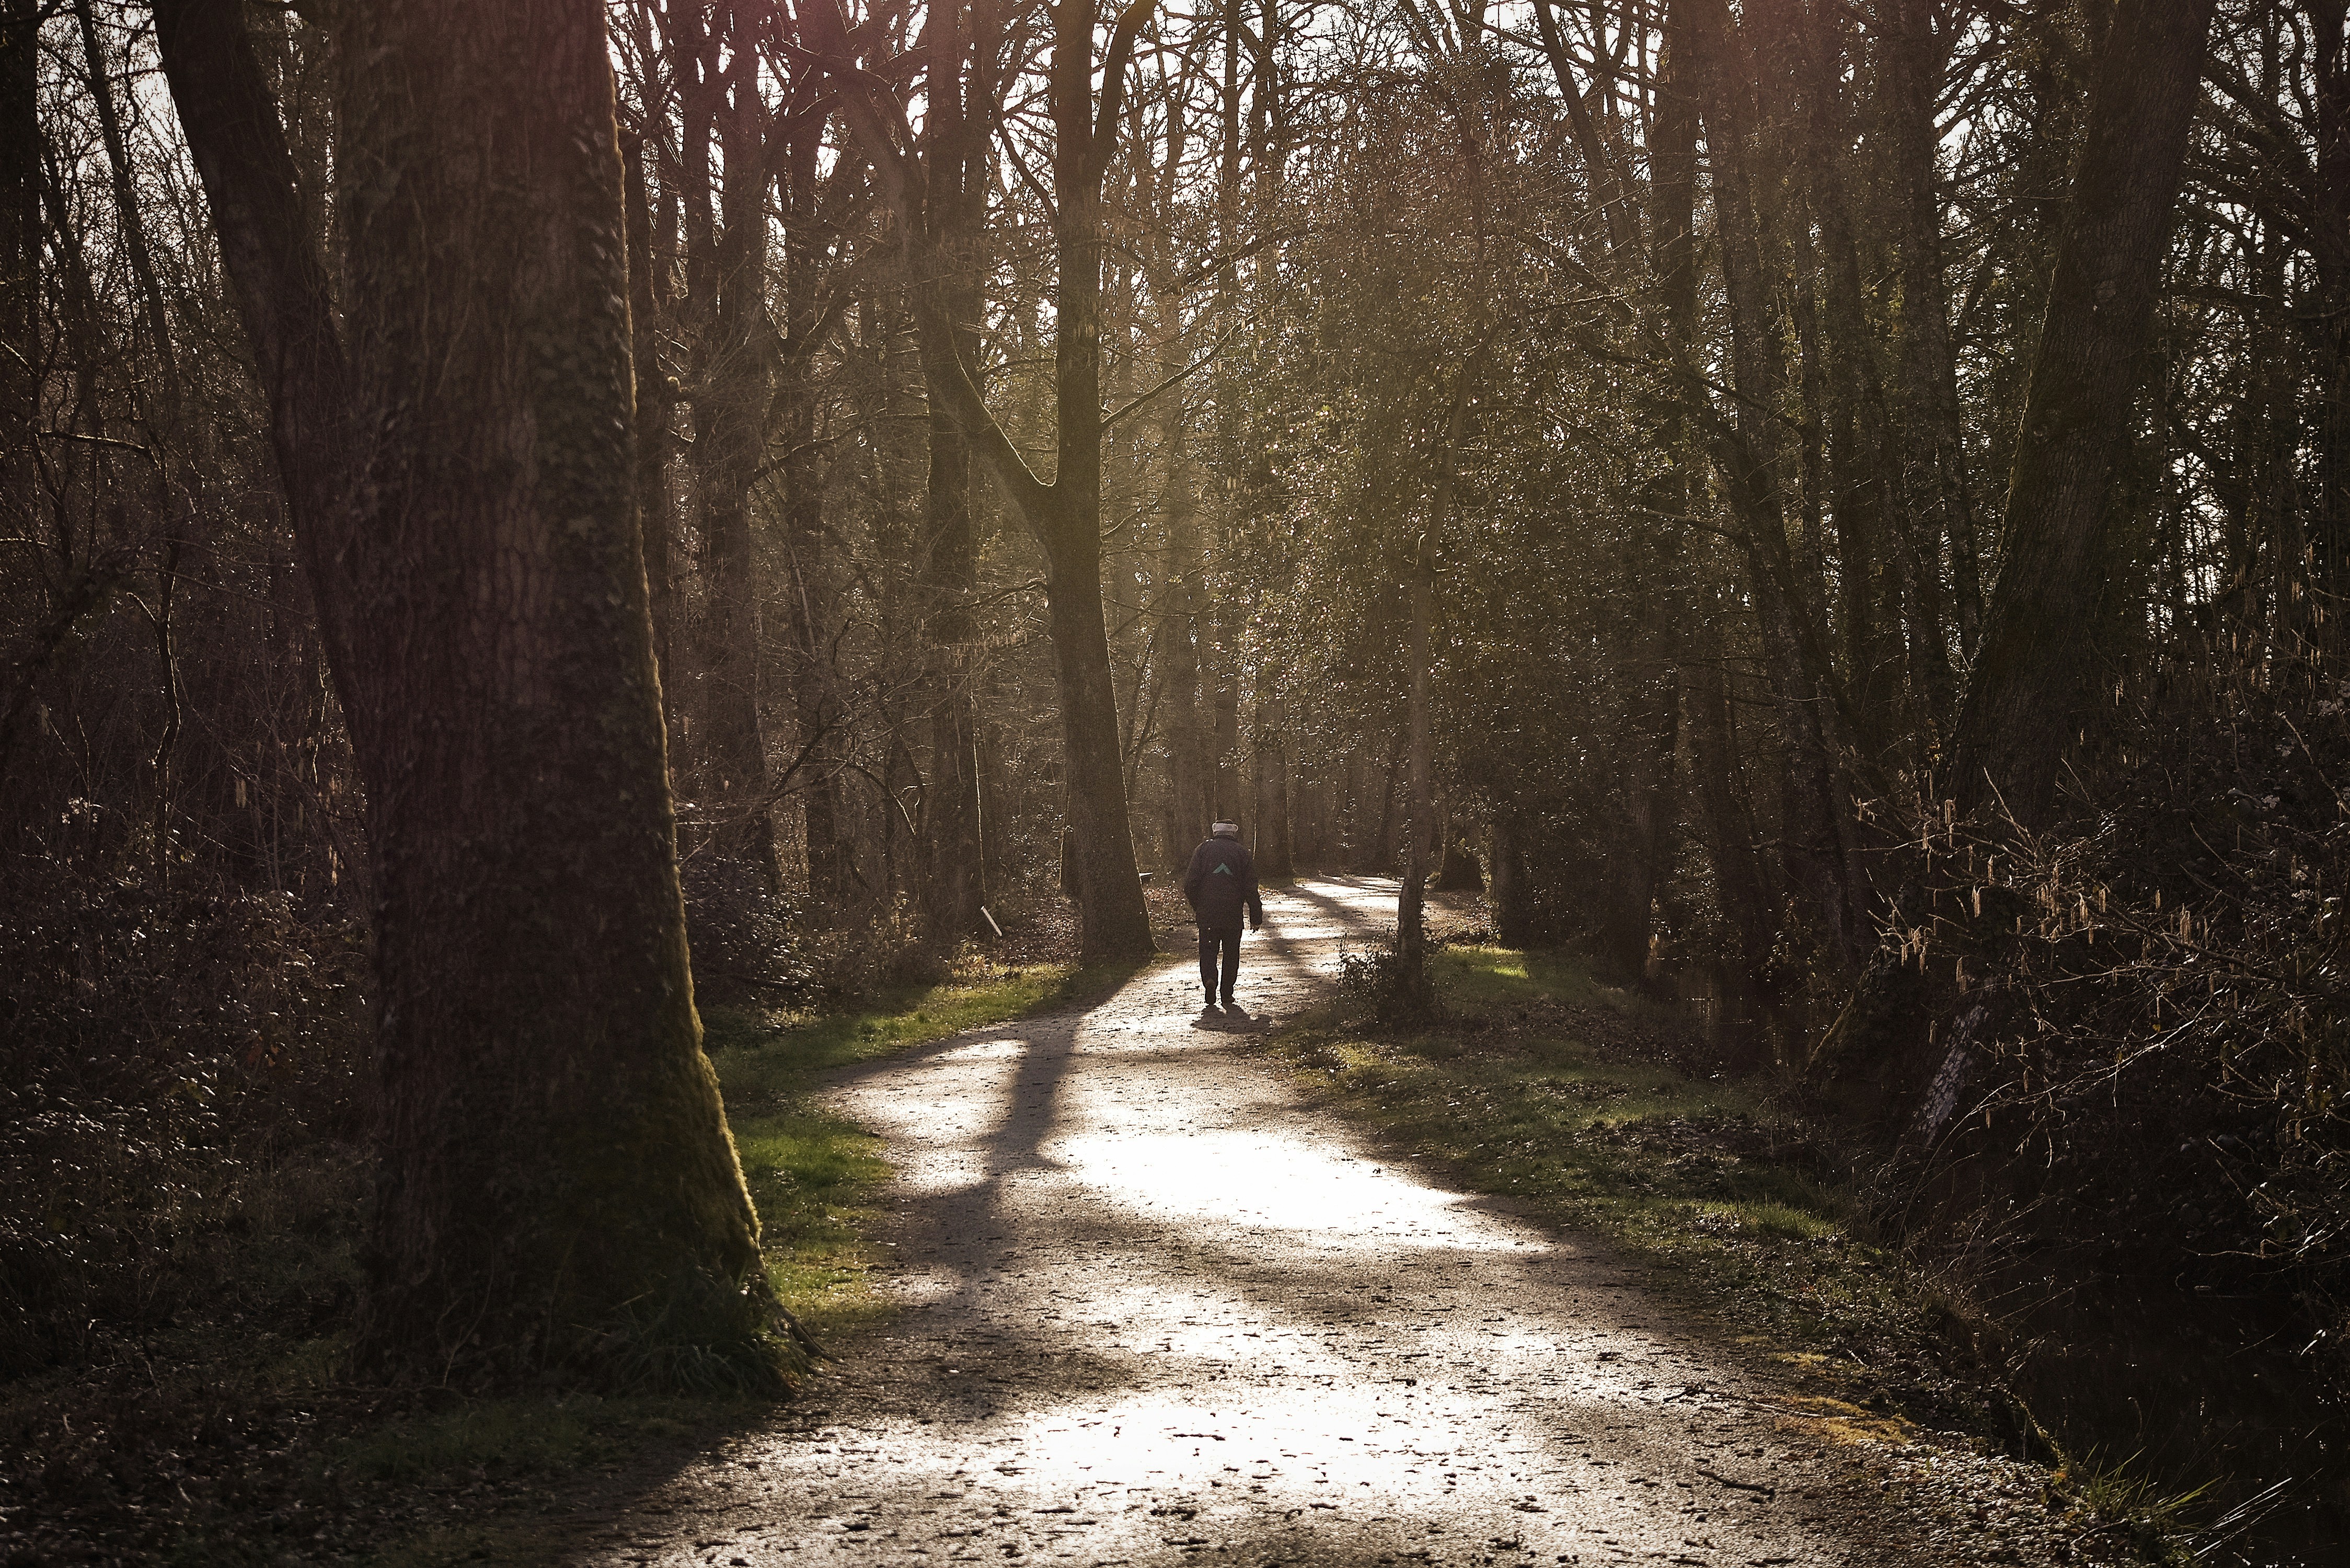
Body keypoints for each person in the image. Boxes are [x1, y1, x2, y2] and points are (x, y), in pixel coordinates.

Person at [1182, 820, 1263, 1009]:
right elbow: (1251, 887)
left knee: (1208, 950)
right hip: (1233, 914)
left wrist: (1198, 906)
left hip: (1208, 914)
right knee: (1231, 953)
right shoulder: (1242, 853)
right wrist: (1256, 916)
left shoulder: (1202, 851)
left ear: (1215, 832)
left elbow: (1189, 885)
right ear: (1233, 834)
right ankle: (1227, 993)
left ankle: (1210, 979)